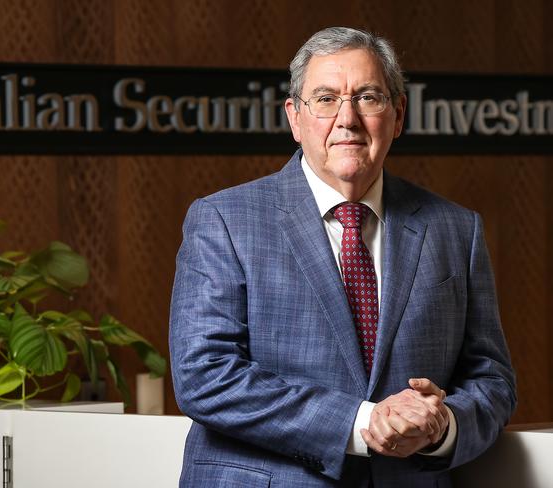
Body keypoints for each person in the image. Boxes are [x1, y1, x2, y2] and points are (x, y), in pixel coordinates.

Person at [169, 26, 516, 487]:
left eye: (368, 97)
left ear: (397, 116)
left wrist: (441, 424)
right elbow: (204, 376)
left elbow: (492, 379)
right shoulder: (223, 220)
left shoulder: (456, 228)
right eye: (326, 99)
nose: (347, 118)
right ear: (295, 117)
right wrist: (363, 421)